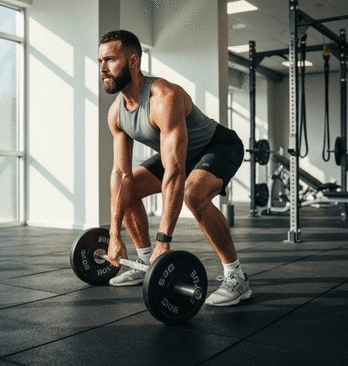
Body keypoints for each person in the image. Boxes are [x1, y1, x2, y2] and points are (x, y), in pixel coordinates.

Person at [98, 30, 251, 307]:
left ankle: (236, 277)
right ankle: (143, 259)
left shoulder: (163, 97)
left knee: (194, 193)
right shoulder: (116, 113)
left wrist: (164, 241)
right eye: (100, 61)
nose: (103, 68)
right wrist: (113, 235)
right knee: (128, 189)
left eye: (110, 60)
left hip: (218, 146)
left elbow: (175, 171)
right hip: (182, 155)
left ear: (132, 62)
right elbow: (121, 175)